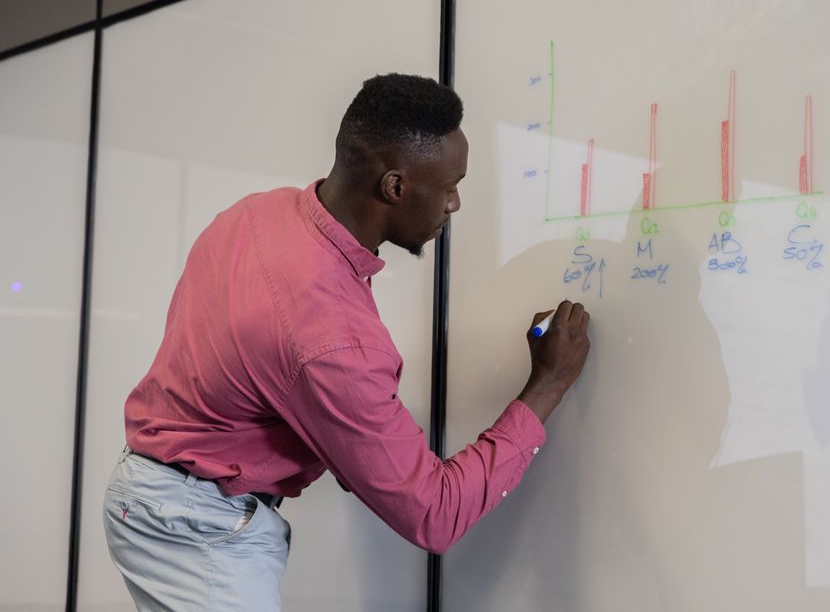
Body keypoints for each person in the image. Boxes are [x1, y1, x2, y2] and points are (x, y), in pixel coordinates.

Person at [103, 73, 592, 611]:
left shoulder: (255, 213)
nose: (454, 204)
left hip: (152, 494)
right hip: (196, 531)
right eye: (450, 185)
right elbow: (434, 514)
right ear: (395, 187)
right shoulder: (333, 338)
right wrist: (547, 384)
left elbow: (252, 365)